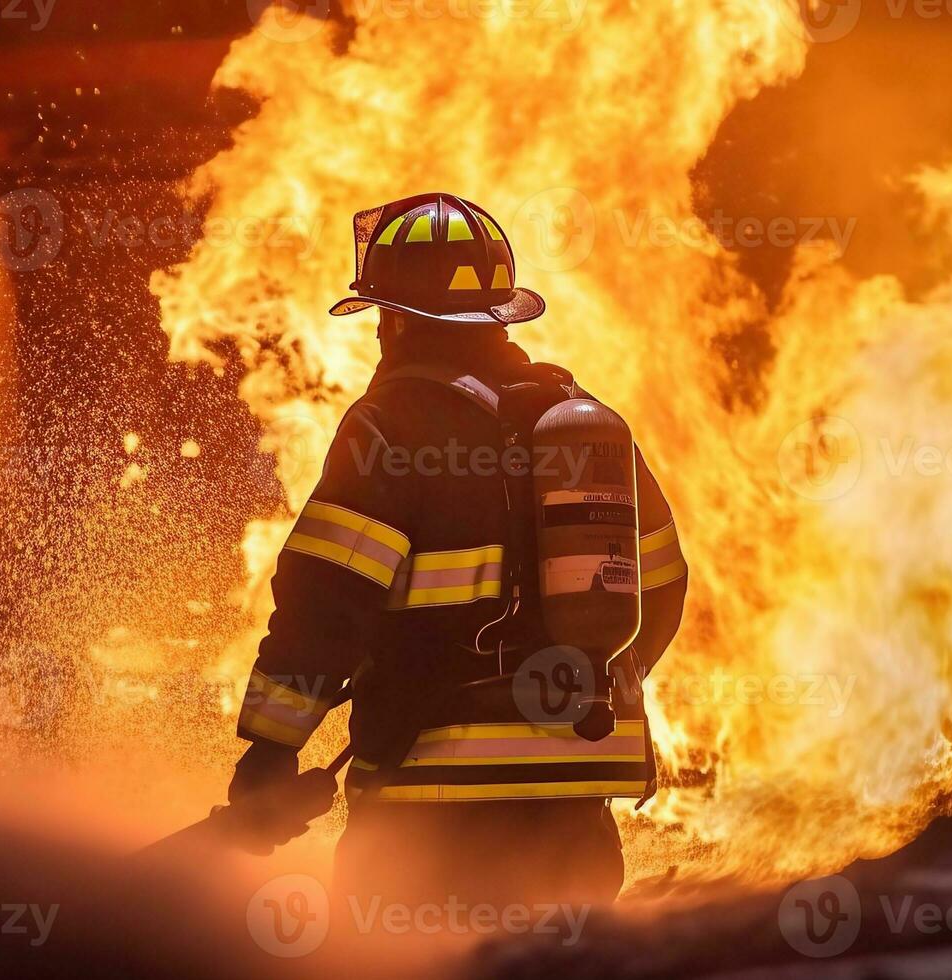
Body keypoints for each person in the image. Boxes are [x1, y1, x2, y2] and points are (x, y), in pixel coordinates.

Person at [227, 192, 689, 908]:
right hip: (575, 802)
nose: (381, 333)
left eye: (383, 314)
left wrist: (270, 747)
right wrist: (586, 675)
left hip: (430, 808)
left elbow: (325, 606)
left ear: (399, 321)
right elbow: (659, 580)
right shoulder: (580, 423)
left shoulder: (390, 427)